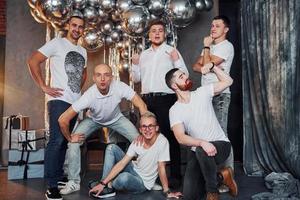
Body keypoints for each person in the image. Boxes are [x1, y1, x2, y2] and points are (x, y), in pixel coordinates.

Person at [58, 64, 147, 195]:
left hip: (116, 119)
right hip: (94, 120)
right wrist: (70, 138)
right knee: (73, 143)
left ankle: (146, 178)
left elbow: (141, 104)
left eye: (106, 75)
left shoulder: (119, 87)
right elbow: (62, 119)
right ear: (94, 78)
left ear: (111, 77)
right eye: (98, 75)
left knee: (142, 141)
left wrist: (144, 127)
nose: (102, 79)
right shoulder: (89, 95)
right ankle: (73, 182)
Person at [27, 16, 87, 200]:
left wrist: (78, 92)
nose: (77, 29)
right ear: (68, 26)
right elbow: (33, 61)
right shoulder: (57, 43)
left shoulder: (82, 51)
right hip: (59, 101)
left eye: (80, 27)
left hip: (75, 103)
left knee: (64, 142)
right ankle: (52, 186)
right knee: (56, 141)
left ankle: (58, 177)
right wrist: (44, 86)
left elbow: (83, 73)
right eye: (74, 25)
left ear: (83, 30)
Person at [165, 64, 238, 200]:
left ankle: (213, 193)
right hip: (198, 151)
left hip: (221, 145)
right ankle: (222, 176)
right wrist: (202, 142)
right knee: (190, 195)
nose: (186, 77)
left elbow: (228, 81)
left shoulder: (202, 92)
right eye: (181, 77)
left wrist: (213, 67)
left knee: (200, 150)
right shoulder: (174, 110)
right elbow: (180, 137)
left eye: (185, 74)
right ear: (174, 86)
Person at [131, 20, 189, 187]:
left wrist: (176, 61)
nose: (157, 33)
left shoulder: (172, 51)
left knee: (171, 137)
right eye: (153, 31)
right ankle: (153, 175)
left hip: (166, 99)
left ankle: (175, 175)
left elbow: (184, 76)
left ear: (165, 34)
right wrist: (135, 65)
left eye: (160, 31)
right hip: (147, 100)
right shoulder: (143, 55)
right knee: (150, 138)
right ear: (149, 35)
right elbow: (136, 79)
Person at [89, 111, 182, 199]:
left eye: (151, 126)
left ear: (156, 128)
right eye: (144, 127)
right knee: (111, 147)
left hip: (142, 183)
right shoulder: (138, 141)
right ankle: (104, 185)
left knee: (123, 177)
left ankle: (109, 183)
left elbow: (161, 167)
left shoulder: (162, 142)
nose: (147, 130)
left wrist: (167, 192)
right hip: (134, 170)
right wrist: (103, 183)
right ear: (140, 130)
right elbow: (122, 163)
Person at [193, 15, 235, 173]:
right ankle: (216, 173)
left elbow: (203, 65)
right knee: (209, 134)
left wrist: (205, 48)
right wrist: (207, 59)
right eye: (212, 25)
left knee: (222, 135)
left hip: (220, 96)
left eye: (217, 26)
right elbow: (196, 66)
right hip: (207, 95)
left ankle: (228, 174)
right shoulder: (211, 48)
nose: (213, 28)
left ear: (226, 29)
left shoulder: (226, 46)